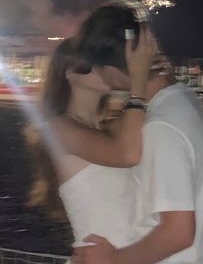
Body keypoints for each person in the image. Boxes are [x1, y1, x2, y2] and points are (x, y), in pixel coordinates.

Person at [71, 0, 203, 264]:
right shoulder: (186, 101)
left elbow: (178, 233)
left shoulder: (160, 127)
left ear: (110, 70)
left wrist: (113, 260)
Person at [25, 21, 161, 248]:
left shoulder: (111, 126)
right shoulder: (59, 130)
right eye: (94, 62)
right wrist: (137, 84)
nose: (104, 67)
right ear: (69, 72)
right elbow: (127, 155)